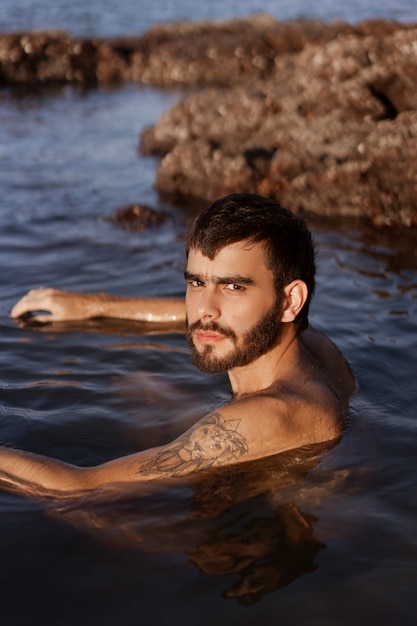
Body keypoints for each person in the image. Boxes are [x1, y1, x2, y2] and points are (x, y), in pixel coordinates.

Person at [6, 193, 356, 498]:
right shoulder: (315, 346)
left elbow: (78, 488)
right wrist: (94, 306)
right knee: (138, 384)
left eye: (234, 287)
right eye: (196, 282)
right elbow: (193, 316)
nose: (204, 308)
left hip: (306, 549)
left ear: (289, 300)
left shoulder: (266, 416)